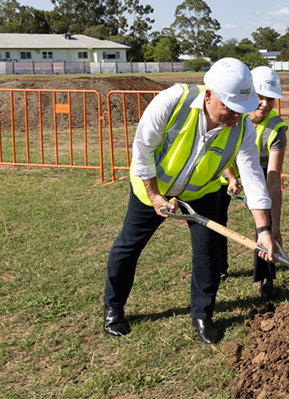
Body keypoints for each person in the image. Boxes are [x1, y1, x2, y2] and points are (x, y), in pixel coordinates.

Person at [102, 58, 277, 345]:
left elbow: (254, 178)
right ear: (208, 95)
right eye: (229, 107)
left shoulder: (242, 127)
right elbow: (143, 148)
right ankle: (113, 307)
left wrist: (263, 231)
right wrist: (154, 194)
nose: (236, 115)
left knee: (208, 252)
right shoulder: (173, 101)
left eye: (241, 108)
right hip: (152, 187)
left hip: (200, 193)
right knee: (129, 245)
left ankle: (202, 315)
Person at [216, 66, 287, 300]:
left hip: (260, 174)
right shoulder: (234, 112)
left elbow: (274, 175)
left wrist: (273, 221)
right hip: (223, 172)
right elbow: (219, 149)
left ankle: (266, 278)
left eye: (270, 99)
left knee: (263, 227)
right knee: (217, 221)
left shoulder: (276, 129)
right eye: (260, 96)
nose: (265, 104)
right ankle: (219, 267)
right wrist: (231, 178)